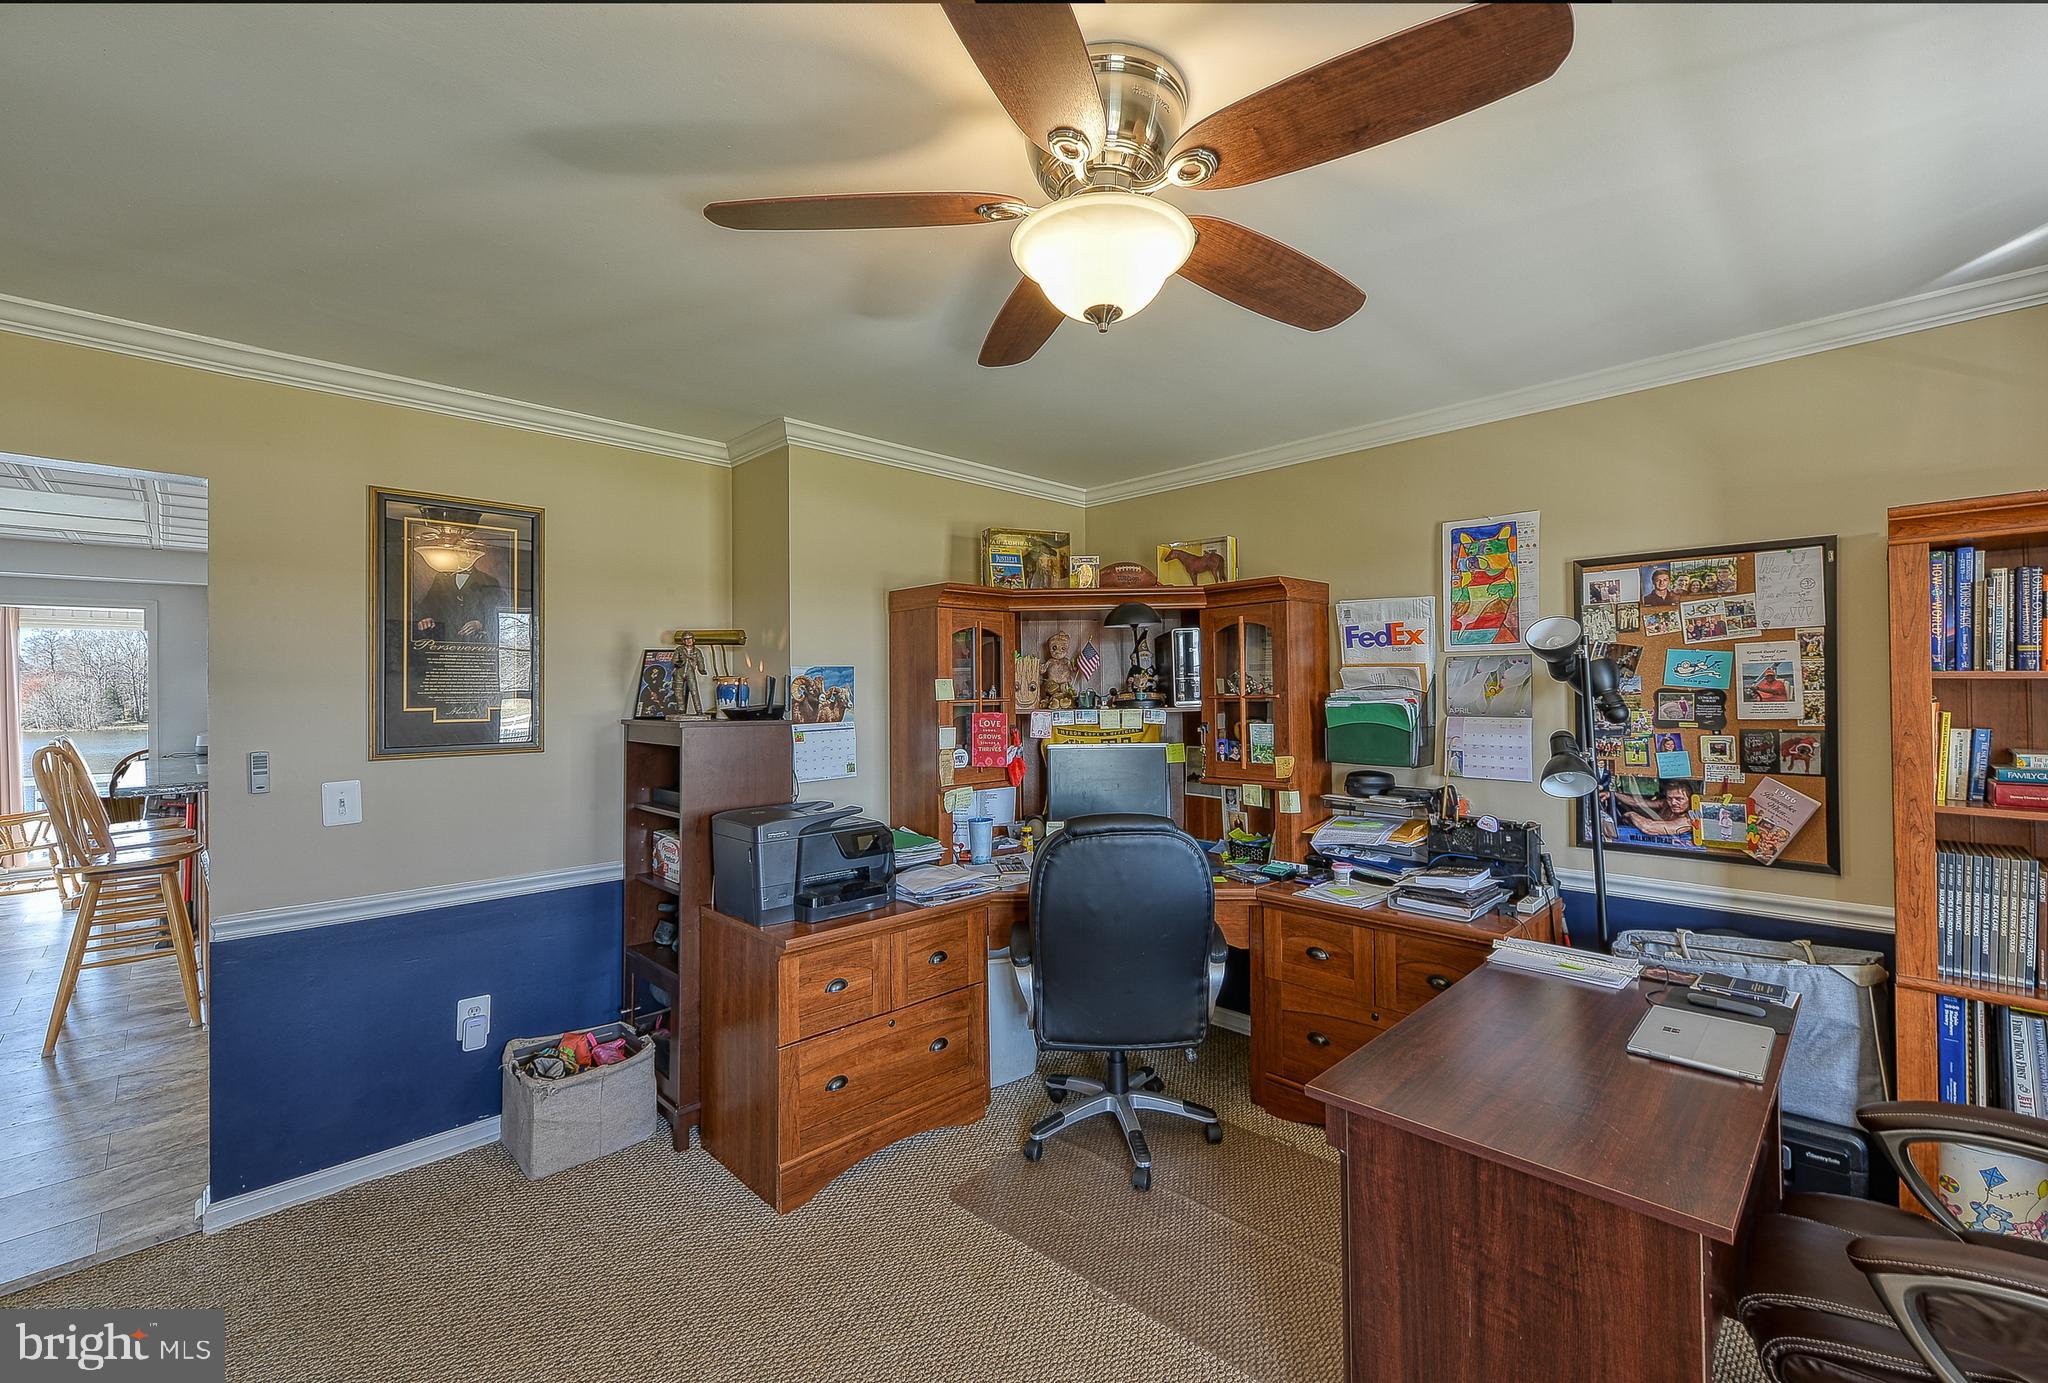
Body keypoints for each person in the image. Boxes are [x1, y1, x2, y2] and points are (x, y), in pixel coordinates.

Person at [415, 558, 506, 644]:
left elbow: (498, 611)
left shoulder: (489, 581)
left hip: (475, 643)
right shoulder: (441, 578)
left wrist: (480, 624)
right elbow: (428, 604)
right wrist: (426, 618)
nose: (466, 555)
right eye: (461, 551)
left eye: (470, 551)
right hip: (444, 640)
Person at [1621, 779, 1695, 837]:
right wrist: (1615, 794)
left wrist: (1632, 815)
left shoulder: (1689, 820)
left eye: (1679, 799)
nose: (1673, 803)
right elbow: (1637, 802)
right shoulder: (1666, 804)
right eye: (1669, 798)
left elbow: (1648, 828)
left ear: (1690, 799)